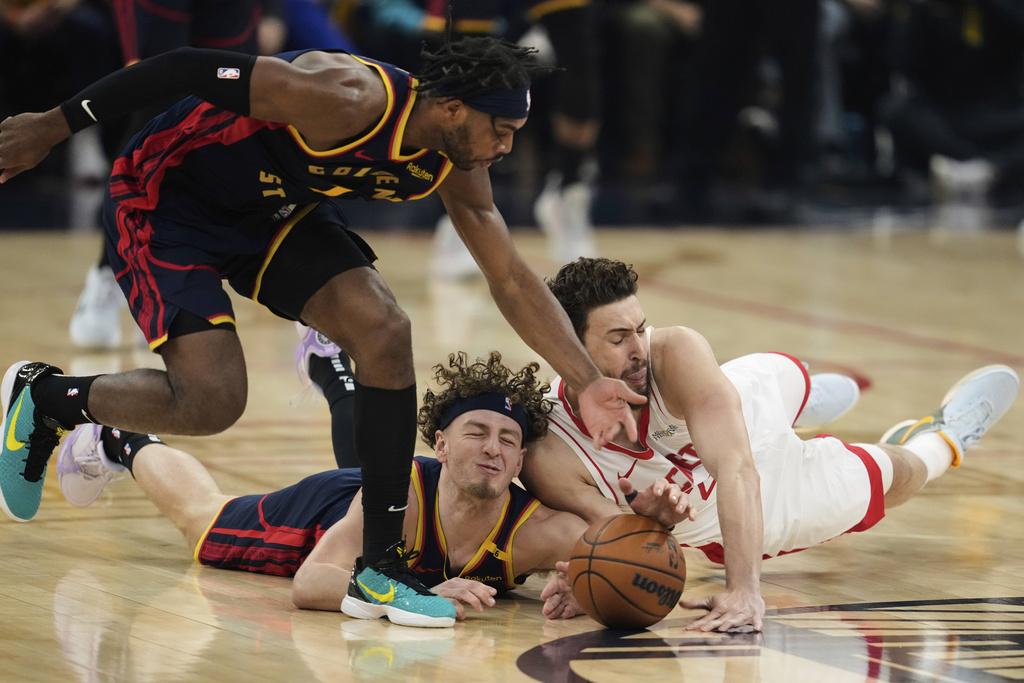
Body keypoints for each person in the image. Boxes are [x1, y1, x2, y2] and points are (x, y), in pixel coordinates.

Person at [0, 37, 644, 626]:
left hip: (271, 213)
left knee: (384, 330)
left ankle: (381, 568)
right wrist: (52, 126)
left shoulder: (455, 162)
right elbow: (184, 66)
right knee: (211, 402)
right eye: (500, 130)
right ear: (452, 109)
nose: (505, 148)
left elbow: (510, 277)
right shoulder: (345, 96)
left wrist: (587, 380)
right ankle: (47, 396)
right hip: (166, 201)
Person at [521, 257, 1020, 632]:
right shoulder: (553, 449)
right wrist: (599, 569)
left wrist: (744, 591)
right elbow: (612, 538)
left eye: (641, 328)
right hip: (737, 506)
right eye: (618, 338)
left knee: (780, 375)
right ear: (570, 346)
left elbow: (736, 468)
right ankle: (944, 436)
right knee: (901, 474)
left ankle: (807, 399)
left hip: (740, 434)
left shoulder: (672, 352)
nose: (639, 349)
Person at [55, 352, 591, 627]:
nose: (493, 448)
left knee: (368, 459)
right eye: (476, 433)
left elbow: (618, 567)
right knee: (204, 522)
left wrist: (587, 594)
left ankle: (330, 368)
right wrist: (419, 598)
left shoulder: (545, 532)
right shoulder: (407, 491)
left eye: (507, 440)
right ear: (442, 446)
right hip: (329, 512)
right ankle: (120, 439)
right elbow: (310, 584)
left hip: (380, 497)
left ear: (521, 460)